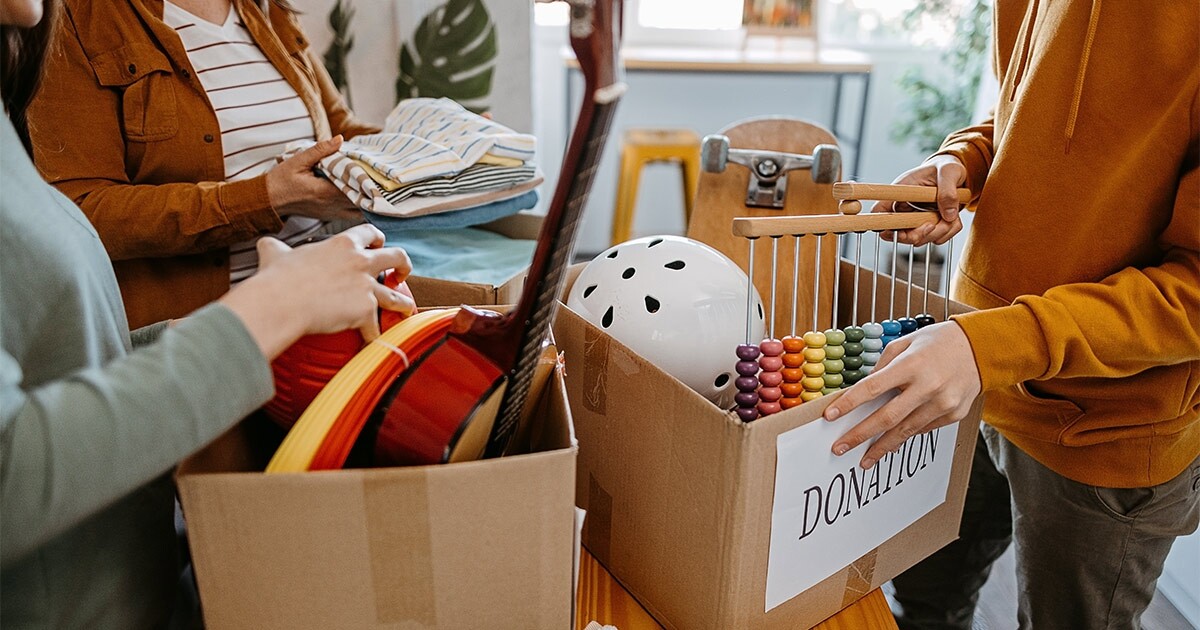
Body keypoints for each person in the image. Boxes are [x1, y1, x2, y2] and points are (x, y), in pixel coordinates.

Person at [0, 0, 417, 626]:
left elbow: (57, 347)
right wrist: (268, 310)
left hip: (136, 573)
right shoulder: (81, 25)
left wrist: (426, 158)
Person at [822, 1, 1199, 628]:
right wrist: (963, 160)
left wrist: (990, 345)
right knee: (923, 603)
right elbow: (1023, 109)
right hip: (968, 378)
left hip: (1104, 429)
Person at [25, 0, 380, 329]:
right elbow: (83, 211)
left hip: (328, 300)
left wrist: (418, 149)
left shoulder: (266, 8)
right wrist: (267, 198)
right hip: (210, 335)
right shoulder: (78, 17)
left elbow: (337, 128)